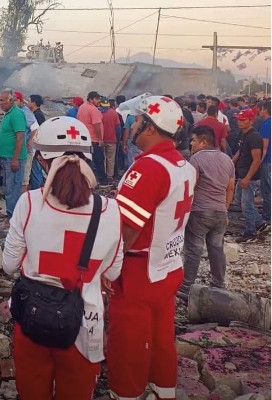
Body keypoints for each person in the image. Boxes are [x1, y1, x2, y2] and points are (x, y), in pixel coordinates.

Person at [2, 116, 123, 400]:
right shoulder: (111, 210)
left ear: (43, 161)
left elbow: (9, 265)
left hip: (31, 319)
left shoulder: (29, 203)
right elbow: (114, 273)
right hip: (85, 325)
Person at [108, 94, 197, 400]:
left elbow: (128, 228)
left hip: (137, 270)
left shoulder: (147, 169)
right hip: (168, 264)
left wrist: (110, 269)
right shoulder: (183, 165)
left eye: (137, 120)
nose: (132, 124)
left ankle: (126, 393)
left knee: (127, 343)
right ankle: (164, 390)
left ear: (149, 127)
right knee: (161, 337)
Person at [178, 126, 235, 298]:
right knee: (216, 249)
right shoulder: (227, 160)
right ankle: (218, 284)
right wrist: (224, 207)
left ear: (204, 142)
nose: (191, 144)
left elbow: (190, 186)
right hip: (220, 212)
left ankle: (186, 287)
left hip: (200, 211)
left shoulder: (196, 159)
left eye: (194, 140)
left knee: (193, 250)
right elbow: (230, 188)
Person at [232, 109, 264, 243]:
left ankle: (250, 233)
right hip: (242, 174)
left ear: (251, 121)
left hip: (250, 177)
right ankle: (260, 222)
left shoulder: (254, 137)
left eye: (243, 120)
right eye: (239, 119)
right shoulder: (243, 134)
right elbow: (241, 150)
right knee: (240, 201)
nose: (240, 122)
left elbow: (257, 159)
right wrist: (231, 162)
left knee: (246, 204)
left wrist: (247, 178)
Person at [0, 89, 27, 220]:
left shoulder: (16, 114)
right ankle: (11, 214)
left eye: (2, 100)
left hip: (14, 159)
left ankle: (13, 218)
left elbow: (20, 137)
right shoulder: (8, 114)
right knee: (8, 187)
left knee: (13, 189)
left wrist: (15, 159)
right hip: (7, 157)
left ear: (10, 100)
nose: (0, 103)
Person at [77, 91, 105, 184]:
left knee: (87, 160)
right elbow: (96, 125)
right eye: (97, 99)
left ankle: (86, 181)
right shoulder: (93, 109)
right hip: (94, 140)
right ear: (91, 99)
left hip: (84, 139)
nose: (99, 101)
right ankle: (102, 181)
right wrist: (100, 139)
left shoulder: (81, 107)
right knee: (99, 160)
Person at [14, 91, 39, 193]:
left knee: (24, 177)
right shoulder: (16, 112)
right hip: (20, 150)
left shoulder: (25, 112)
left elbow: (35, 128)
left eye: (15, 100)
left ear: (20, 101)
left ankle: (24, 200)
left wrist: (29, 142)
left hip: (27, 150)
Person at [99, 96, 121, 185]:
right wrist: (118, 138)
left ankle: (103, 175)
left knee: (102, 158)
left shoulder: (97, 113)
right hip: (112, 139)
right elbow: (118, 128)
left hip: (101, 140)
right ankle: (110, 176)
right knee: (110, 159)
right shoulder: (113, 113)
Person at [258, 101, 271, 232]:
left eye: (260, 109)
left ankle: (267, 216)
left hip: (267, 161)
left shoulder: (267, 125)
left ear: (264, 110)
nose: (259, 112)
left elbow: (264, 147)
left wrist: (258, 162)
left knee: (266, 189)